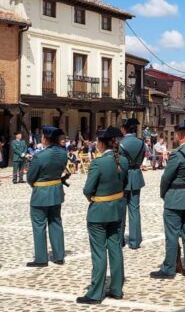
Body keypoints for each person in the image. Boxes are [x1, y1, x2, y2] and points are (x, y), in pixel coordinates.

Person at [77, 126, 127, 304]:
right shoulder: (123, 161)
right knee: (115, 249)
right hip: (117, 209)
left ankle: (95, 293)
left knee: (98, 253)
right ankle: (117, 288)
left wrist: (92, 197)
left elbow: (88, 189)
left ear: (101, 143)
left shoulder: (98, 163)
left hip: (99, 211)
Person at [150, 119, 185, 279]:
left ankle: (169, 268)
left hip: (175, 197)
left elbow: (166, 178)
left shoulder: (178, 155)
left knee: (172, 234)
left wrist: (163, 194)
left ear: (180, 135)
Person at [26, 126, 68, 267]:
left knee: (39, 225)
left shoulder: (40, 156)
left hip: (41, 193)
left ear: (45, 139)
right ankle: (59, 256)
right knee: (55, 222)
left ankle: (41, 258)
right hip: (56, 191)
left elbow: (30, 177)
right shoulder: (63, 154)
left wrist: (34, 183)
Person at [119, 118, 146, 250]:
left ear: (124, 128)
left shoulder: (121, 143)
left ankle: (120, 240)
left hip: (124, 177)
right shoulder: (141, 142)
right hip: (136, 174)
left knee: (121, 209)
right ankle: (135, 241)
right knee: (135, 209)